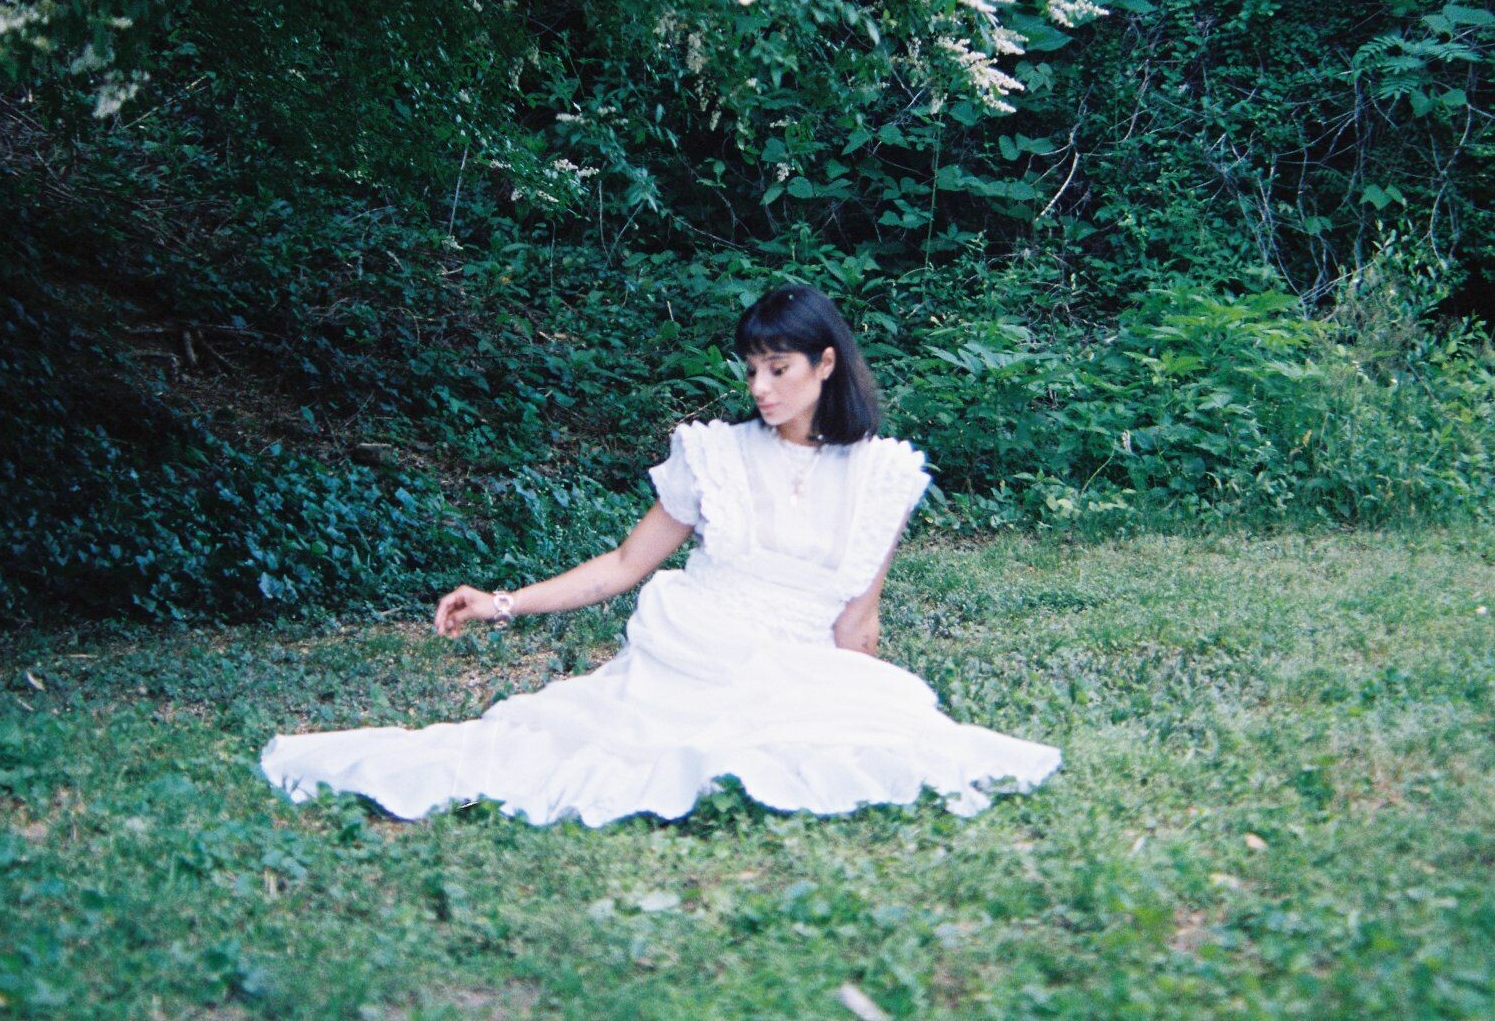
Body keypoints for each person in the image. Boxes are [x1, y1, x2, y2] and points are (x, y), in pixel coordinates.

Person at [259, 283, 1062, 827]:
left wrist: (862, 701)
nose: (760, 387)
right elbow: (623, 564)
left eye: (778, 368)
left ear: (825, 364)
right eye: (752, 369)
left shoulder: (880, 474)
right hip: (697, 651)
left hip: (795, 665)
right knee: (581, 754)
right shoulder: (716, 455)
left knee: (891, 741)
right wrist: (503, 601)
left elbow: (858, 623)